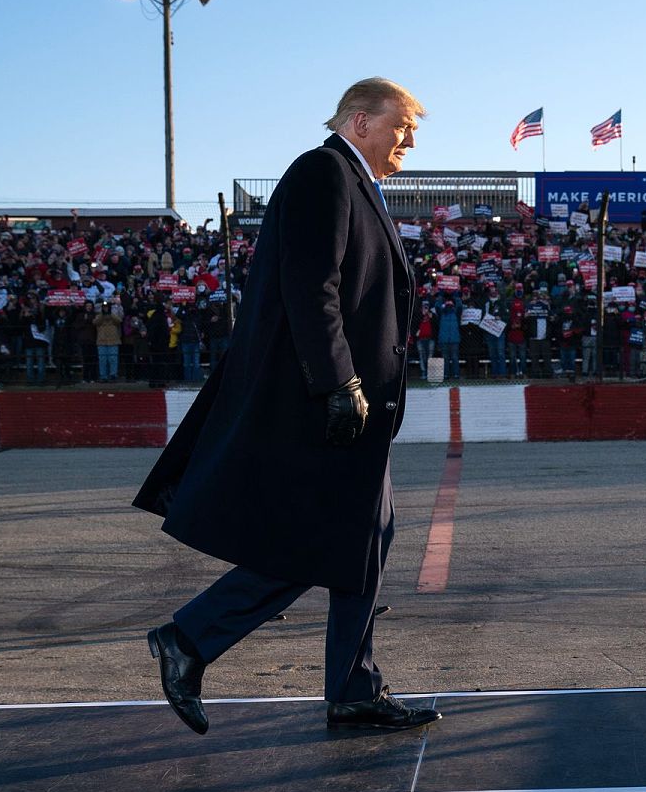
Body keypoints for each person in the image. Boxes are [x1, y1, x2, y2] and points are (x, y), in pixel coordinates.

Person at [134, 78, 440, 735]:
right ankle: (190, 639)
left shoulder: (357, 185)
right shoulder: (322, 173)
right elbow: (312, 285)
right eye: (401, 127)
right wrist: (337, 384)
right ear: (360, 122)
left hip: (357, 405)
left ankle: (352, 688)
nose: (408, 140)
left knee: (366, 537)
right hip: (327, 402)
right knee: (325, 542)